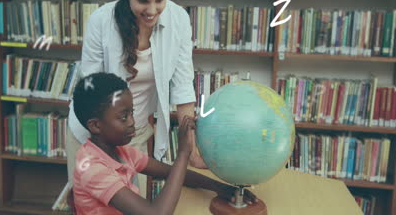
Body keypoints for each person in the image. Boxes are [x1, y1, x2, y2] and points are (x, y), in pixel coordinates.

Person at [67, 0, 206, 196]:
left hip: (136, 132)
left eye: (160, 0)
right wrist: (104, 152)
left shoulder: (179, 20)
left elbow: (183, 89)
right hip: (95, 135)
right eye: (143, 1)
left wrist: (192, 151)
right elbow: (91, 88)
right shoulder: (100, 21)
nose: (152, 10)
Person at [72, 73, 258, 215]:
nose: (132, 122)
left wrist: (222, 188)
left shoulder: (122, 151)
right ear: (95, 125)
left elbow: (172, 173)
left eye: (131, 112)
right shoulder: (92, 168)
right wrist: (183, 153)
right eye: (123, 117)